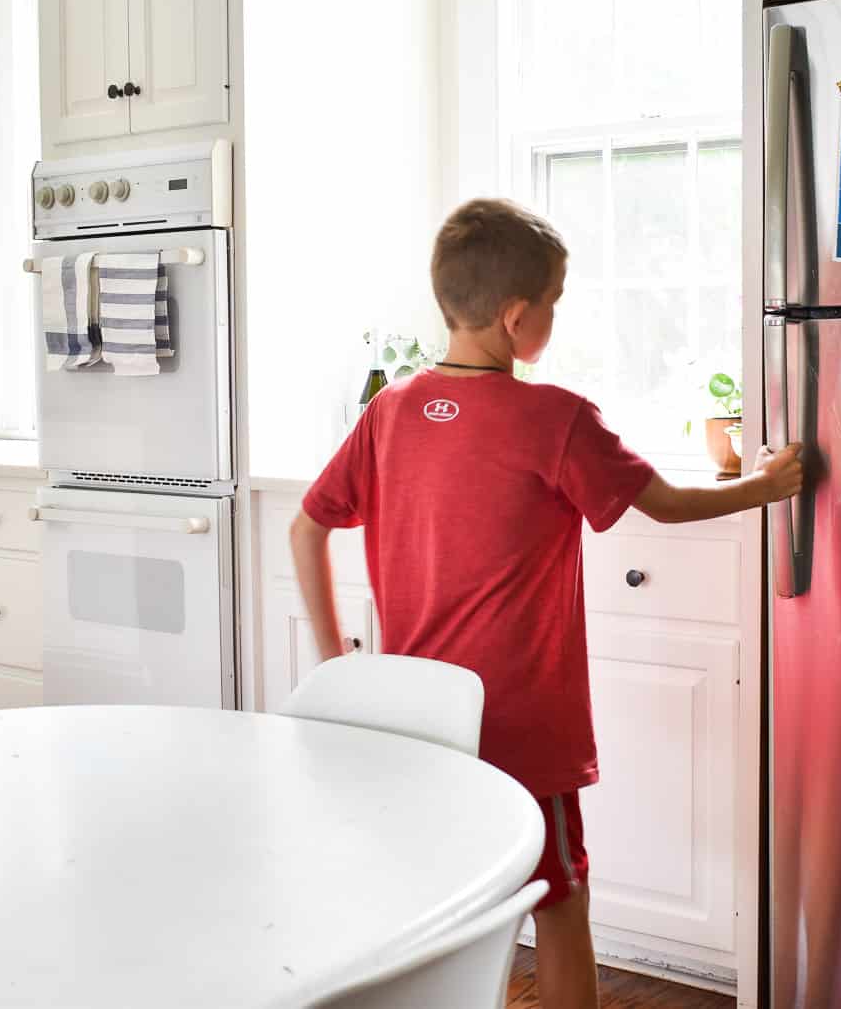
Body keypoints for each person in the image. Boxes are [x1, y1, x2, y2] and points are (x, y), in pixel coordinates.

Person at [289, 198, 803, 1009]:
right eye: (555, 304)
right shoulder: (554, 417)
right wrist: (763, 486)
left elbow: (305, 527)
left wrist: (336, 663)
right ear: (516, 317)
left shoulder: (390, 412)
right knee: (561, 900)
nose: (554, 318)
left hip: (413, 726)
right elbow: (664, 503)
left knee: (443, 904)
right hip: (518, 729)